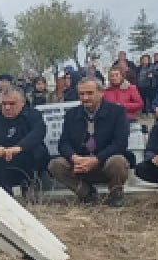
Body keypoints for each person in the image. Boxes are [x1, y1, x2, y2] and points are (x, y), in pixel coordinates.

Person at [47, 78, 131, 206]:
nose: (85, 98)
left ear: (101, 92)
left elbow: (120, 143)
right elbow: (63, 143)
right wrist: (74, 158)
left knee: (118, 161)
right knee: (55, 165)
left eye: (90, 93)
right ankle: (87, 194)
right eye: (81, 94)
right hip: (80, 165)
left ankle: (115, 195)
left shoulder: (117, 112)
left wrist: (96, 160)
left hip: (105, 163)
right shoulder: (71, 114)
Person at [0, 88, 49, 194]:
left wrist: (20, 147)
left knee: (39, 152)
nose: (7, 108)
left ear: (22, 103)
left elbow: (38, 133)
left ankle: (31, 188)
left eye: (12, 104)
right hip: (1, 157)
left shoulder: (33, 115)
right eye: (4, 104)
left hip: (24, 154)